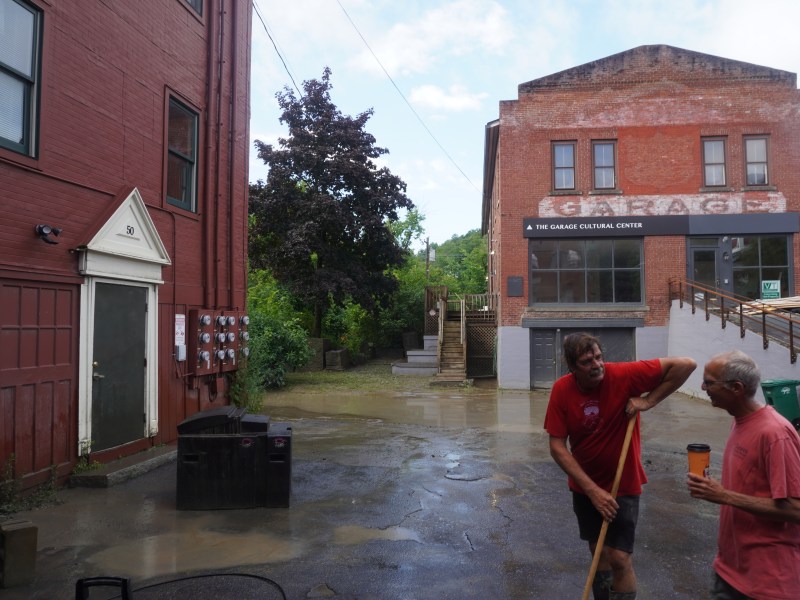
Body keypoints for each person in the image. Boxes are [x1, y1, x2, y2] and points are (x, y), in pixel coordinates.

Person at [544, 332, 696, 600]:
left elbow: (686, 365)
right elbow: (557, 445)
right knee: (598, 551)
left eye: (599, 357)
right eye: (587, 361)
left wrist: (649, 401)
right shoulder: (562, 389)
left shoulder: (624, 374)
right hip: (584, 487)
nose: (597, 365)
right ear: (571, 367)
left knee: (619, 558)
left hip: (622, 485)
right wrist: (592, 491)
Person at [687, 350, 800, 599]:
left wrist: (724, 495)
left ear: (736, 388)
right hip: (730, 570)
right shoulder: (739, 420)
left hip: (767, 584)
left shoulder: (775, 434)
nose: (703, 386)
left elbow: (796, 510)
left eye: (709, 382)